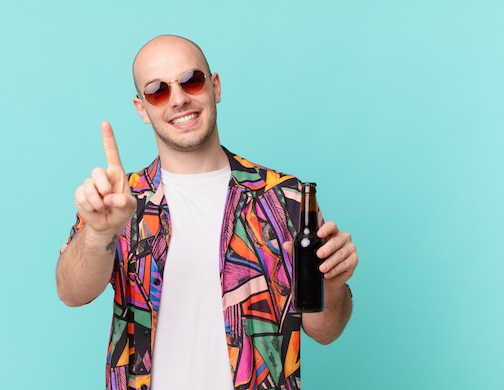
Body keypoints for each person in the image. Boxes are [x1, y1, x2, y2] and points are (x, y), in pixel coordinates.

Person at [56, 34, 358, 390]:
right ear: (142, 109)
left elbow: (325, 331)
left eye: (191, 81)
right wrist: (99, 232)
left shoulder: (284, 199)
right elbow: (72, 292)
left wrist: (334, 286)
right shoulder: (120, 200)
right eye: (158, 90)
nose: (179, 99)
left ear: (215, 86)